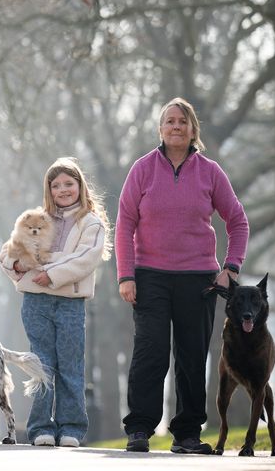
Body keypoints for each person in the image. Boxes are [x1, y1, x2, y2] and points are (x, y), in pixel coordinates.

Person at [116, 97, 249, 454]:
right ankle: (140, 428)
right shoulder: (143, 169)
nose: (176, 126)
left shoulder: (210, 172)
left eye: (182, 121)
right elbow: (125, 223)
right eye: (169, 121)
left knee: (192, 356)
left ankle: (187, 433)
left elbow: (237, 221)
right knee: (151, 352)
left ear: (193, 131)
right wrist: (126, 275)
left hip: (199, 280)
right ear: (160, 129)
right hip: (150, 277)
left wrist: (230, 268)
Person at [0, 157, 111, 447]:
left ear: (79, 186)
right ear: (48, 190)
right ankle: (40, 428)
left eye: (68, 184)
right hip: (36, 301)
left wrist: (47, 270)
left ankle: (71, 427)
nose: (62, 190)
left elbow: (85, 258)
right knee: (41, 364)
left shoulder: (91, 223)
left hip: (70, 302)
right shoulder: (36, 218)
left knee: (71, 364)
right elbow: (8, 250)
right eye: (56, 185)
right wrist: (17, 263)